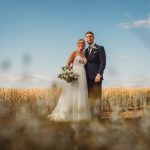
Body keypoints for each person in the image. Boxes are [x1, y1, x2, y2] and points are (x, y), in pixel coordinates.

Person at [47, 39, 91, 121]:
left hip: (83, 74)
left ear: (84, 45)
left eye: (83, 43)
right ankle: (67, 113)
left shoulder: (84, 54)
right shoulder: (74, 53)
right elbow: (67, 64)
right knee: (72, 93)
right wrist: (69, 74)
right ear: (77, 44)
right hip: (75, 75)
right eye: (80, 43)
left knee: (81, 92)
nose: (81, 44)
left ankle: (80, 115)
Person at [84, 31, 106, 119]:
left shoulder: (100, 48)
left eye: (90, 36)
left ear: (93, 38)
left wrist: (99, 74)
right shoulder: (85, 51)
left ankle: (97, 117)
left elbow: (103, 63)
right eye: (87, 37)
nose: (89, 38)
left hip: (96, 77)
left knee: (97, 97)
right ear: (86, 39)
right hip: (87, 78)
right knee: (89, 97)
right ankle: (91, 116)